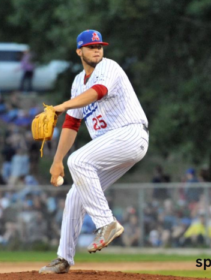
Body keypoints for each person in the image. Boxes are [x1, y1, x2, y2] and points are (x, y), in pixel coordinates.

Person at [39, 30, 149, 274]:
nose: (97, 49)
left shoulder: (109, 67)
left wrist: (63, 105)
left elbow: (98, 90)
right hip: (112, 145)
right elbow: (71, 124)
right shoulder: (78, 82)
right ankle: (63, 259)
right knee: (75, 196)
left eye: (99, 45)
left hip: (130, 134)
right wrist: (56, 161)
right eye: (90, 46)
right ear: (79, 51)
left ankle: (106, 224)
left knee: (78, 160)